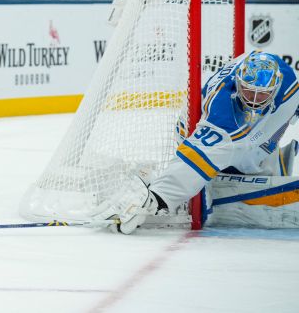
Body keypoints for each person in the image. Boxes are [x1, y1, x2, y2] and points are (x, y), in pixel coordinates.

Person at [116, 51, 299, 234]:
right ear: (238, 83)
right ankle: (252, 169)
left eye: (262, 95)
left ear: (276, 88)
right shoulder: (224, 115)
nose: (253, 100)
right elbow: (197, 159)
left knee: (254, 144)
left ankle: (266, 161)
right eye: (249, 91)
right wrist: (158, 198)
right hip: (194, 131)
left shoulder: (288, 80)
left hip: (233, 127)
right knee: (233, 152)